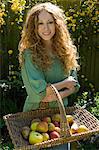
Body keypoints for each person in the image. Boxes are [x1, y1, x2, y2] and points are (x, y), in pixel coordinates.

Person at [18, 2, 80, 150]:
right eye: (40, 23)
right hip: (35, 116)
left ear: (57, 24)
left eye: (50, 22)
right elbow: (39, 94)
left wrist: (53, 93)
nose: (46, 28)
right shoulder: (30, 54)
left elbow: (75, 85)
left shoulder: (65, 50)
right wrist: (65, 84)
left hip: (60, 116)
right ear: (34, 27)